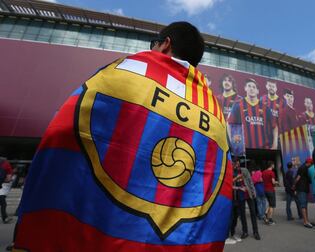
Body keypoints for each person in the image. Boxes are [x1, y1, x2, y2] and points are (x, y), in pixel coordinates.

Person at [15, 22, 233, 251]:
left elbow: (64, 132)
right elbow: (220, 186)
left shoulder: (125, 71)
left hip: (102, 237)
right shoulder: (215, 111)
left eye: (154, 44)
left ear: (166, 44)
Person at [227, 78, 278, 149]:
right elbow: (229, 124)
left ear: (257, 91)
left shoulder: (265, 108)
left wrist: (275, 145)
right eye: (249, 86)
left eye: (254, 87)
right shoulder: (238, 105)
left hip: (264, 150)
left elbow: (274, 127)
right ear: (245, 88)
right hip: (245, 150)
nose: (251, 89)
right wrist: (232, 143)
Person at [230, 161, 261, 240]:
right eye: (234, 164)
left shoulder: (244, 170)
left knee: (253, 213)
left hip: (248, 194)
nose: (236, 165)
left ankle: (255, 232)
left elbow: (250, 181)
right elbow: (230, 183)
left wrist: (253, 192)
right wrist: (237, 178)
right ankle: (245, 231)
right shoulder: (231, 172)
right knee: (242, 215)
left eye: (237, 163)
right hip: (239, 195)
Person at [292, 158, 313, 228]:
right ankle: (305, 222)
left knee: (305, 205)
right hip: (301, 189)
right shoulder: (303, 167)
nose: (311, 165)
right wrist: (294, 185)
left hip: (304, 189)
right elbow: (298, 178)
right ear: (309, 163)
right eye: (311, 163)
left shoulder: (305, 168)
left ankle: (307, 220)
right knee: (303, 205)